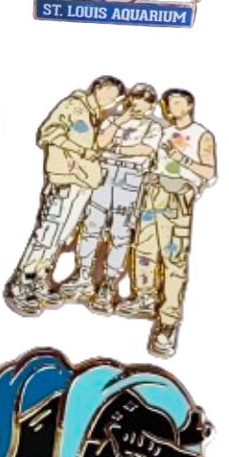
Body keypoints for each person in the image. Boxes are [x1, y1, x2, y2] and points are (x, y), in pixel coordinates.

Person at [5, 76, 125, 315]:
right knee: (48, 232)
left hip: (82, 181)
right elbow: (47, 133)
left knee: (61, 235)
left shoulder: (93, 115)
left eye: (114, 98)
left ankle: (39, 278)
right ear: (97, 88)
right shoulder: (73, 106)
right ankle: (21, 283)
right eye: (108, 93)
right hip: (65, 178)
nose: (110, 100)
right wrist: (81, 150)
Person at [118, 89, 217, 357]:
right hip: (154, 192)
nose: (171, 107)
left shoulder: (201, 134)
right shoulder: (163, 131)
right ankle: (145, 296)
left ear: (189, 105)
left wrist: (181, 160)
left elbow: (209, 171)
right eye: (168, 103)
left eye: (176, 102)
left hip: (177, 196)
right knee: (144, 249)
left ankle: (168, 321)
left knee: (174, 258)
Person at [60, 84, 163, 312]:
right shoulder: (113, 120)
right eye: (136, 98)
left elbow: (145, 150)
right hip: (105, 173)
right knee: (91, 226)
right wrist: (120, 123)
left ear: (151, 105)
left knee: (120, 232)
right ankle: (83, 274)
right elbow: (100, 143)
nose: (139, 104)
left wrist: (116, 148)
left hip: (130, 178)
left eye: (145, 100)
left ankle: (108, 283)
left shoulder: (153, 127)